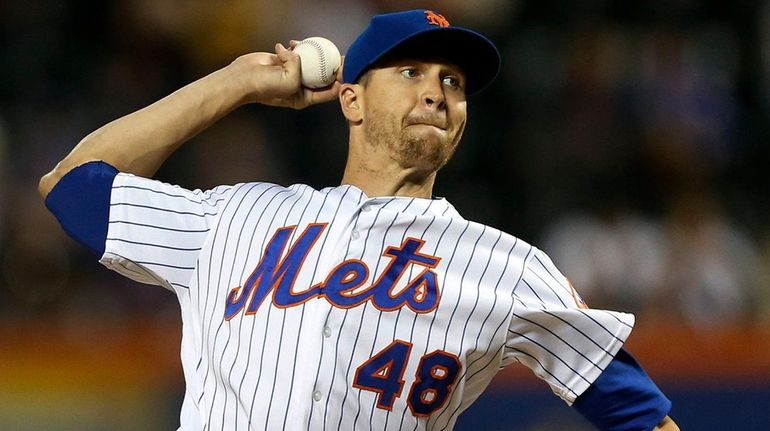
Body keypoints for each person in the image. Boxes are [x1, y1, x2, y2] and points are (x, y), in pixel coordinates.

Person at [39, 9, 680, 431]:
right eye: (410, 72)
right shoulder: (235, 215)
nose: (437, 92)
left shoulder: (506, 268)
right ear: (350, 97)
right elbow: (70, 185)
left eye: (453, 81)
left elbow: (640, 414)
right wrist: (235, 83)